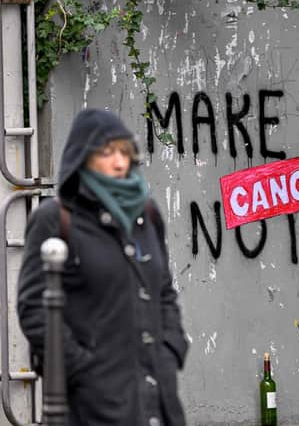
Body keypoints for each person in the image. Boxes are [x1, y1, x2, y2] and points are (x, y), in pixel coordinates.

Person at [17, 109, 189, 425]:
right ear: (82, 158)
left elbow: (163, 290)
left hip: (156, 400)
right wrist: (85, 370)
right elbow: (33, 308)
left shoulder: (146, 215)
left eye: (124, 151)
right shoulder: (55, 220)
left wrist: (170, 350)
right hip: (94, 407)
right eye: (106, 152)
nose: (119, 162)